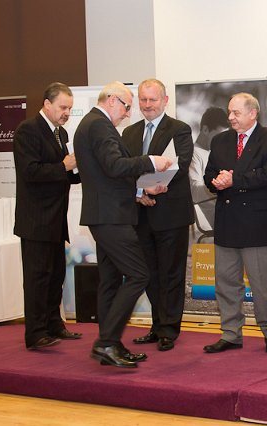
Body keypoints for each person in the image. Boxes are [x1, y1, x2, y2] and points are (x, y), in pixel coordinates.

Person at [75, 81, 172, 368]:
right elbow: (115, 166)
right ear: (112, 100)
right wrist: (150, 162)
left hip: (106, 214)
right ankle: (106, 342)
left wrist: (140, 191)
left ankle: (111, 345)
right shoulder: (99, 125)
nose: (129, 113)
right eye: (128, 106)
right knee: (139, 275)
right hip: (111, 217)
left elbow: (107, 176)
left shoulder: (93, 124)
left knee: (110, 281)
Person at [202, 92, 267, 355]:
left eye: (236, 113)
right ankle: (231, 333)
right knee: (226, 283)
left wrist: (233, 180)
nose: (230, 117)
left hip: (256, 224)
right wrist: (215, 181)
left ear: (253, 113)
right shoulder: (220, 140)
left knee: (263, 284)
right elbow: (209, 173)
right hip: (226, 223)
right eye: (229, 112)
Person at [122, 79, 194, 352]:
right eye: (143, 99)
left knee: (171, 274)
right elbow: (121, 169)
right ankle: (156, 325)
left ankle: (169, 330)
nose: (147, 105)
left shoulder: (179, 129)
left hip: (171, 215)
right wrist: (139, 190)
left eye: (152, 99)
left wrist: (146, 186)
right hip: (140, 214)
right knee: (149, 274)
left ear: (165, 100)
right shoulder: (129, 132)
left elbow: (180, 165)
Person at [13, 82, 82, 350]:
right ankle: (35, 333)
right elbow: (30, 172)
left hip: (56, 219)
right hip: (36, 221)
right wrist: (64, 165)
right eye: (63, 107)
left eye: (70, 108)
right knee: (37, 278)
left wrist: (80, 171)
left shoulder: (60, 133)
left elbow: (63, 175)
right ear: (47, 104)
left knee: (55, 277)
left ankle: (54, 325)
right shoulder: (28, 130)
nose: (67, 113)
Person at [189, 107, 229, 230]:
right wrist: (220, 186)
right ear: (205, 129)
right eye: (219, 136)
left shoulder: (214, 152)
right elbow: (194, 190)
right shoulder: (193, 154)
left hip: (224, 211)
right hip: (215, 217)